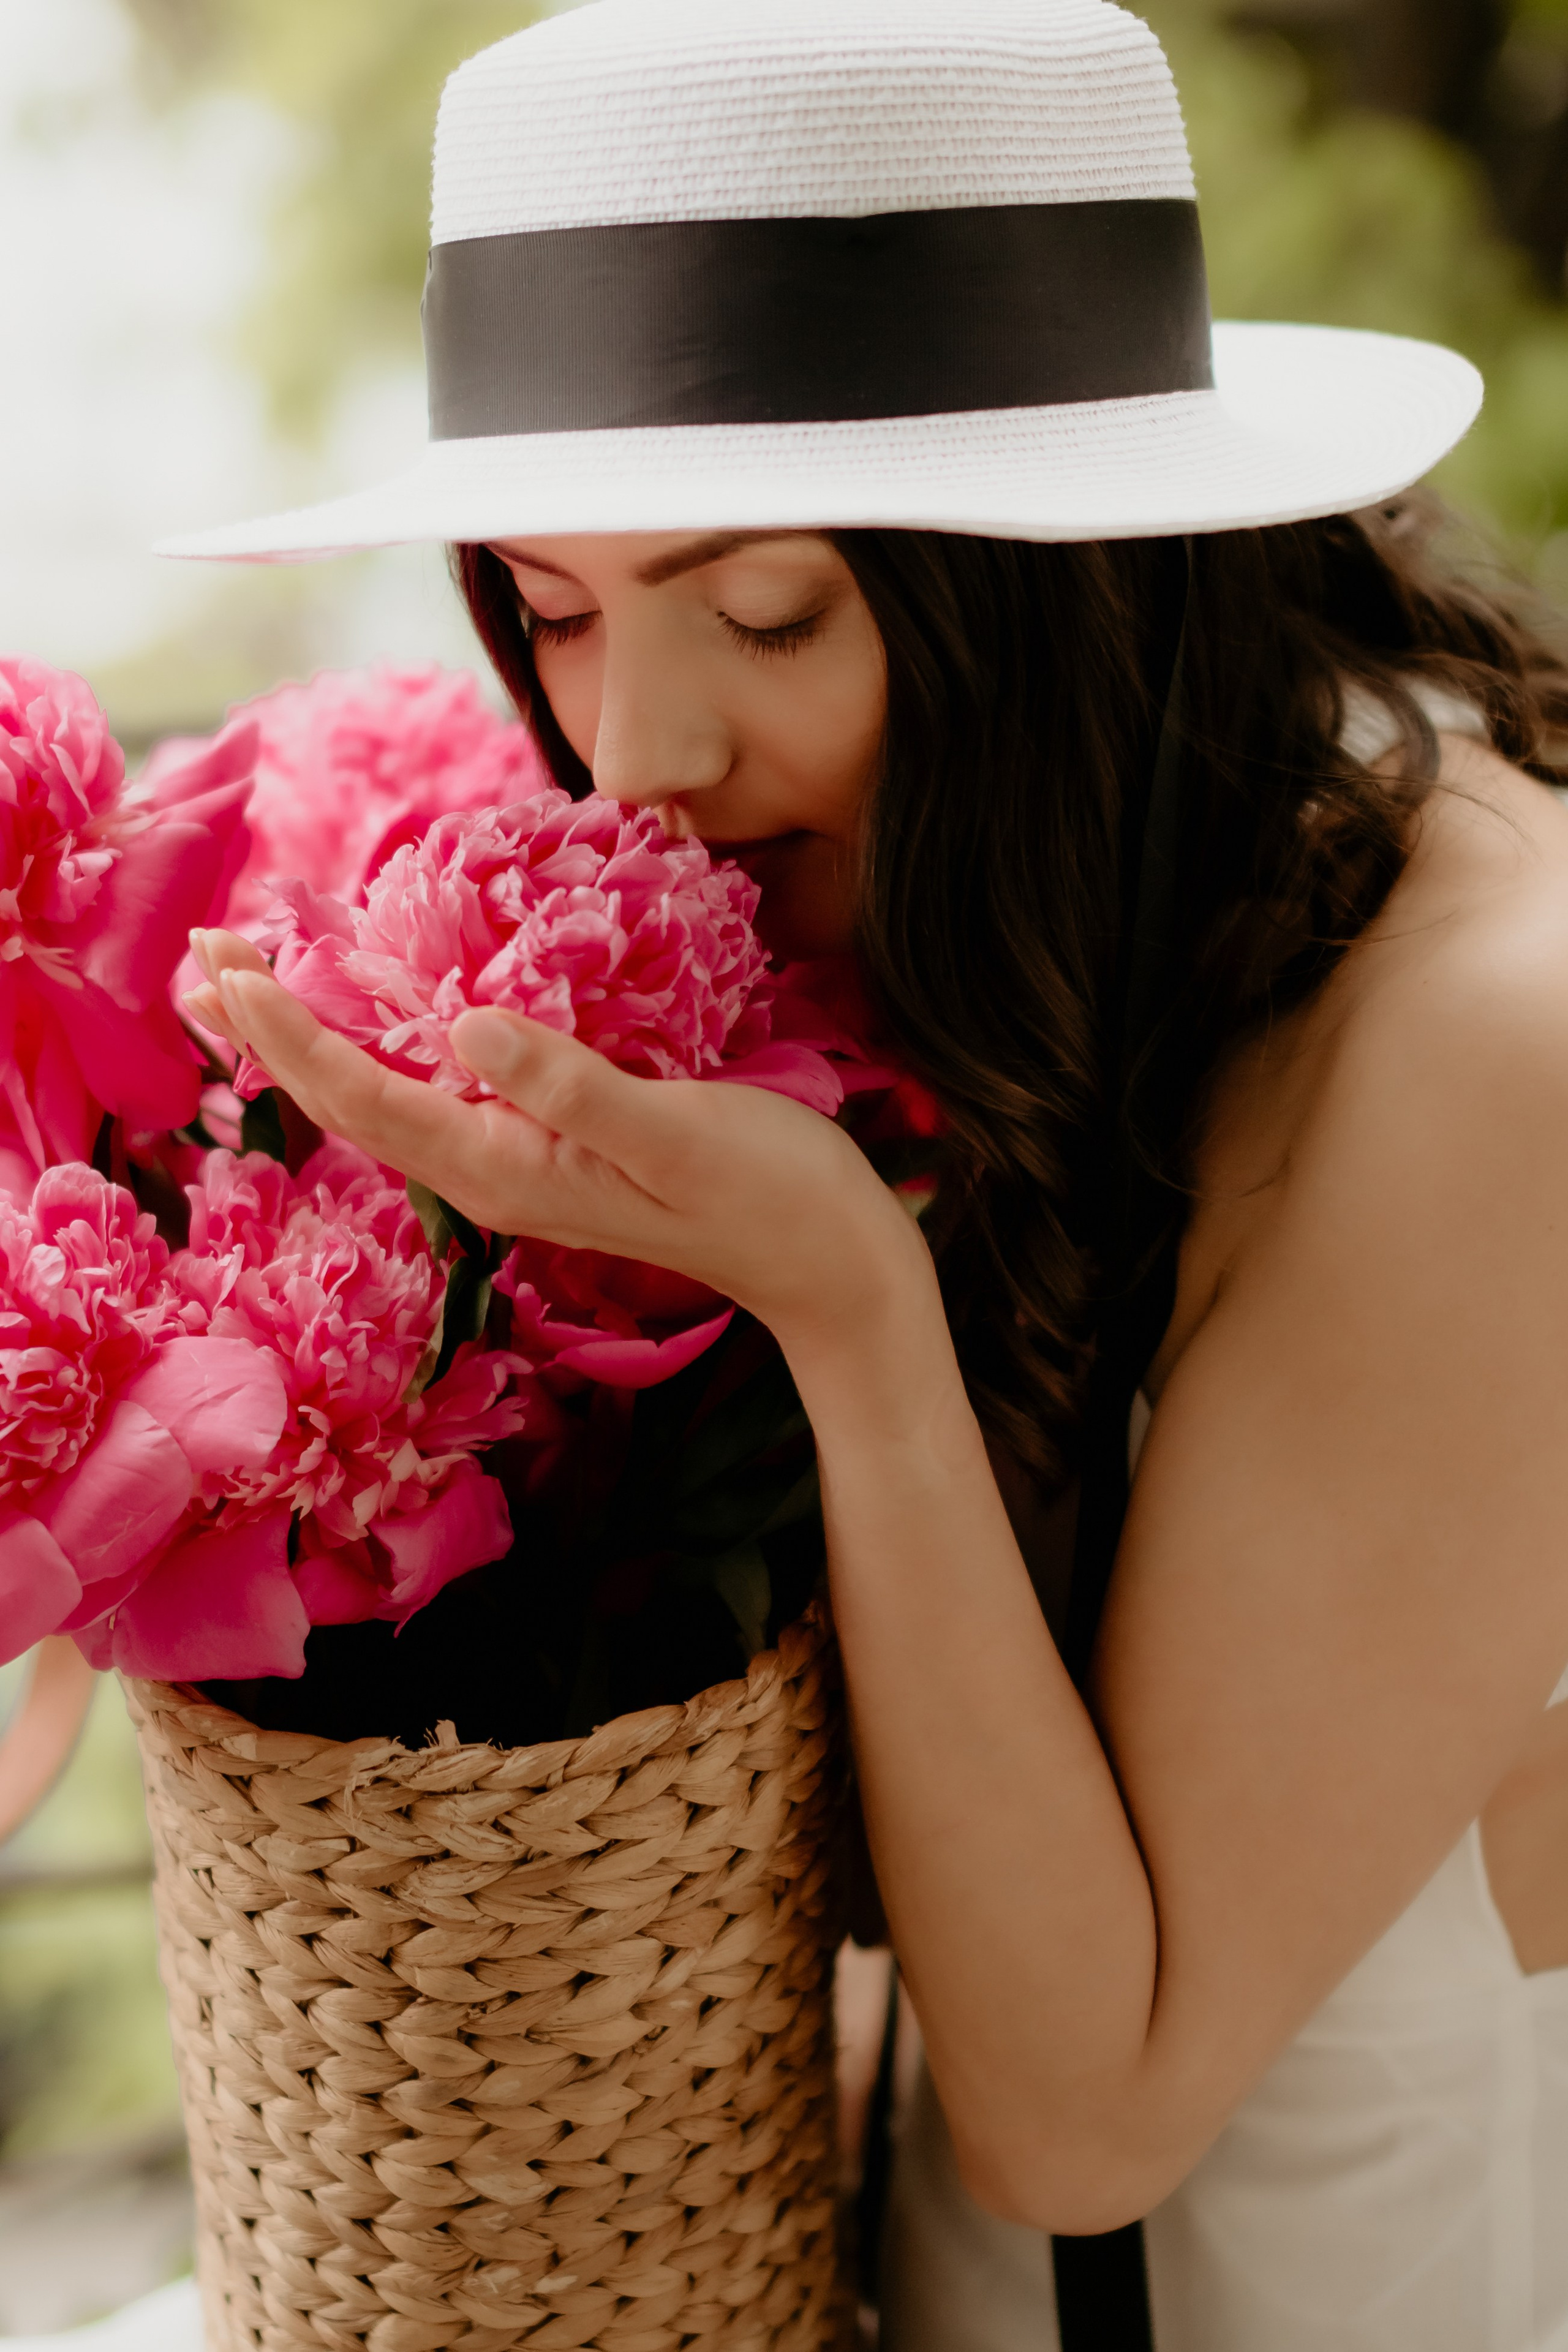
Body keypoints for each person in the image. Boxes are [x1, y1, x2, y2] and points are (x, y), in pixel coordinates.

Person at [171, 2, 1568, 2346]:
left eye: (768, 610)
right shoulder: (1037, 874)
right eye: (554, 604)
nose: (635, 754)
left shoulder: (1491, 1041)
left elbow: (1090, 2117)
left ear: (1067, 578)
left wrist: (845, 1307)